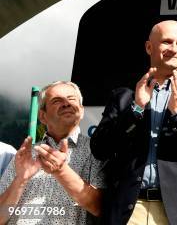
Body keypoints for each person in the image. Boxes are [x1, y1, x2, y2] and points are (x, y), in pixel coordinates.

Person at [90, 20, 177, 225]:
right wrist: (136, 108)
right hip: (129, 209)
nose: (174, 49)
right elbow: (100, 148)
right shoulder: (124, 96)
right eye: (167, 42)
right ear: (149, 47)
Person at [0, 81, 104, 225]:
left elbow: (100, 207)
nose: (66, 104)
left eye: (71, 99)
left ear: (81, 110)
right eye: (57, 101)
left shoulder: (97, 151)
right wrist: (20, 180)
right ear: (42, 116)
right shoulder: (26, 154)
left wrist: (61, 171)